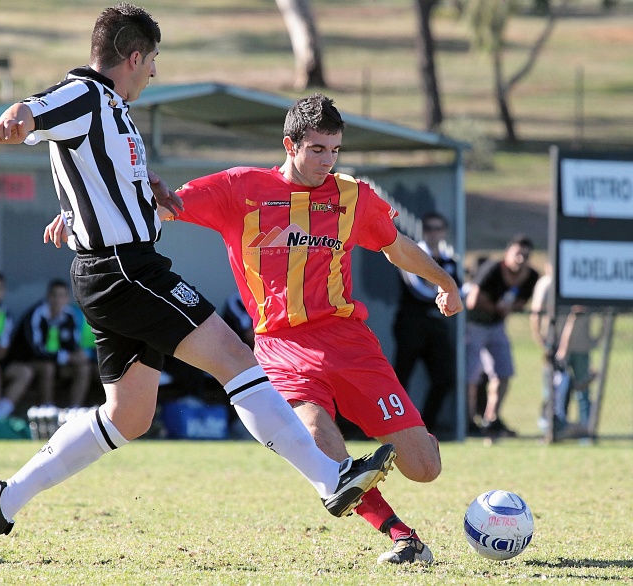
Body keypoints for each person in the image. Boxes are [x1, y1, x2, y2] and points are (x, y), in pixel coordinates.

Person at [0, 3, 395, 568]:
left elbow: (100, 176)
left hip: (115, 269)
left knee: (129, 417)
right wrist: (13, 121)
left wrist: (143, 190)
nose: (155, 74)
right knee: (235, 358)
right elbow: (34, 110)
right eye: (154, 62)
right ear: (135, 55)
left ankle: (6, 499)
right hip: (125, 270)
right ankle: (331, 478)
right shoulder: (87, 95)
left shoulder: (114, 110)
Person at [47, 93, 463, 564]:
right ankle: (401, 536)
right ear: (290, 145)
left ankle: (406, 440)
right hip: (280, 347)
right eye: (317, 150)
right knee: (318, 442)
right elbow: (158, 206)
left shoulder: (352, 197)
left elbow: (398, 247)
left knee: (425, 468)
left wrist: (445, 282)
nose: (327, 162)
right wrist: (77, 216)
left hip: (349, 342)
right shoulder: (240, 188)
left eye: (335, 151)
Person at [465, 234, 539, 439]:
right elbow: (472, 301)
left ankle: (492, 418)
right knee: (470, 375)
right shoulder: (492, 269)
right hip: (475, 324)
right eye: (517, 254)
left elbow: (522, 301)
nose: (521, 259)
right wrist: (495, 307)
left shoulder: (531, 276)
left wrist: (509, 308)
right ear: (508, 253)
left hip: (497, 325)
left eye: (526, 255)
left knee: (504, 372)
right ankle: (469, 420)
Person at [392, 211, 460, 436]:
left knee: (444, 378)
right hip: (412, 324)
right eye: (429, 228)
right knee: (401, 379)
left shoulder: (449, 260)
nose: (434, 233)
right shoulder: (413, 254)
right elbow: (417, 288)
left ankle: (426, 428)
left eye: (438, 228)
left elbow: (459, 290)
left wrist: (448, 291)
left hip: (437, 325)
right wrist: (443, 292)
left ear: (444, 232)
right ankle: (397, 428)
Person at [529, 265, 600, 433]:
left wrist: (597, 336)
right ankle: (556, 432)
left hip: (580, 345)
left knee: (581, 395)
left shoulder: (583, 281)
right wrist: (542, 339)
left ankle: (584, 434)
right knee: (555, 393)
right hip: (552, 421)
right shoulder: (546, 284)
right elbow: (537, 313)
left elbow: (577, 386)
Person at [5, 279, 93, 409]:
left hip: (58, 362)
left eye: (62, 296)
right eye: (54, 295)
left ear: (67, 298)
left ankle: (75, 409)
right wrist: (65, 357)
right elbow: (35, 349)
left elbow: (72, 344)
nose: (57, 300)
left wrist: (78, 354)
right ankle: (47, 409)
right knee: (47, 367)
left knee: (83, 366)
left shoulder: (70, 315)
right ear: (48, 296)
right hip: (30, 361)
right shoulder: (36, 314)